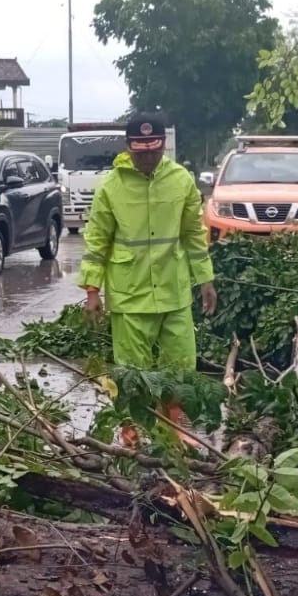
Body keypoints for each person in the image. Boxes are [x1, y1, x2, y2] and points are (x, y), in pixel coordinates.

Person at [78, 113, 217, 442]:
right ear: (129, 148)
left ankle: (173, 432)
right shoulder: (111, 187)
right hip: (130, 294)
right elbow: (97, 240)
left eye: (153, 151)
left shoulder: (181, 180)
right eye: (141, 152)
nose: (147, 158)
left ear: (163, 147)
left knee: (181, 367)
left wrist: (206, 280)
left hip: (174, 291)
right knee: (132, 373)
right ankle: (132, 431)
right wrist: (92, 291)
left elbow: (193, 235)